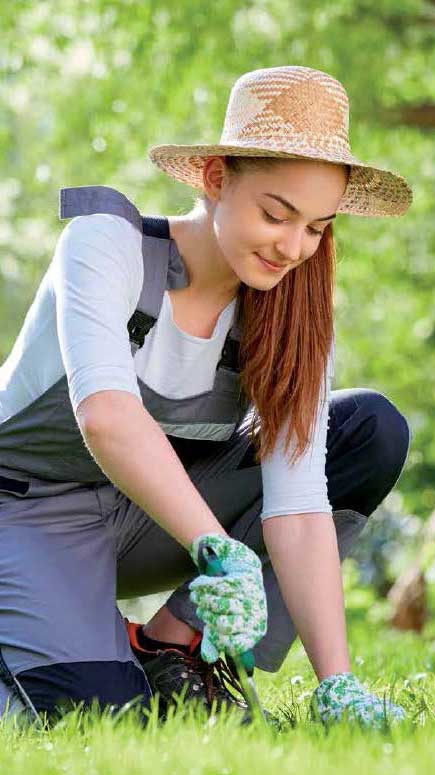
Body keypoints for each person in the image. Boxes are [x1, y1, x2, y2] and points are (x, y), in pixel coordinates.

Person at [0, 65, 413, 728]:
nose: (294, 247)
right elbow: (105, 415)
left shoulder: (292, 317)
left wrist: (338, 681)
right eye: (276, 214)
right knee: (106, 721)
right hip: (25, 513)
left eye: (316, 227)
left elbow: (299, 506)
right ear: (216, 179)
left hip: (143, 521)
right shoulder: (106, 244)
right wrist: (215, 547)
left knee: (369, 429)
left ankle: (171, 645)